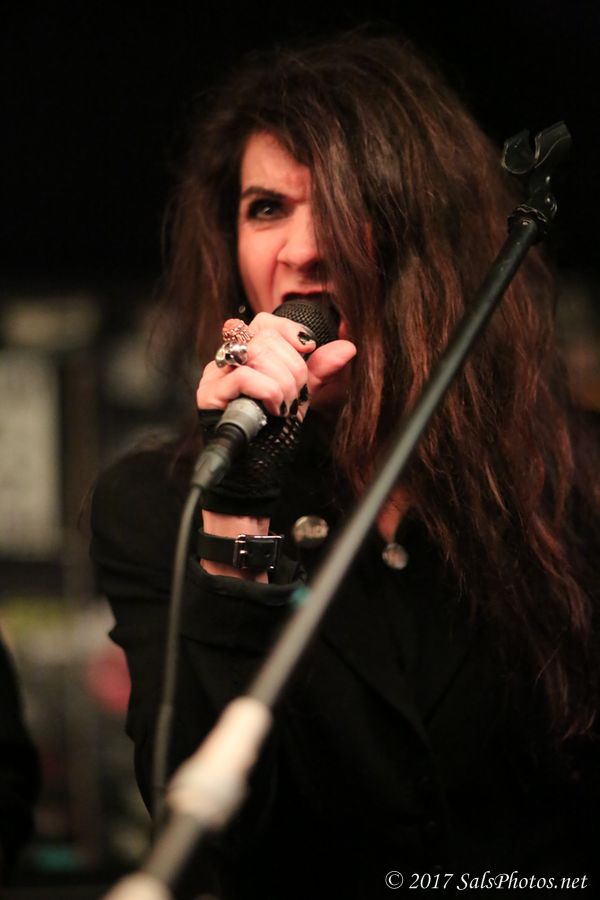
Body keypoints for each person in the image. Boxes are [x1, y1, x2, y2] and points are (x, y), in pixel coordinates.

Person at [90, 29, 600, 899]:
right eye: (266, 209)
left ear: (427, 235)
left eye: (344, 200)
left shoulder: (569, 480)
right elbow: (208, 843)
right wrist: (241, 506)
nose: (301, 249)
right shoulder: (161, 503)